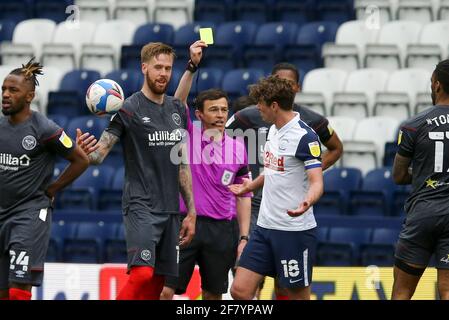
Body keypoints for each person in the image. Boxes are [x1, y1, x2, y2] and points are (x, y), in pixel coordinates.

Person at [78, 42, 197, 300]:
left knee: (156, 284)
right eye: (157, 67)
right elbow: (99, 155)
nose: (163, 73)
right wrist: (83, 152)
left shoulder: (176, 109)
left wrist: (191, 211)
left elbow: (182, 165)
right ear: (144, 68)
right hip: (141, 205)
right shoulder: (128, 108)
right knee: (142, 274)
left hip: (171, 210)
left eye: (167, 68)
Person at [226, 62, 343, 299]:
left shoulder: (304, 136)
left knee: (295, 295)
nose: (257, 108)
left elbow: (317, 182)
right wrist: (251, 185)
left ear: (275, 105)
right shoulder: (273, 129)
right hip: (265, 228)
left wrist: (307, 202)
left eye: (261, 103)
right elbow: (272, 169)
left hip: (293, 231)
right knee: (239, 291)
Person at [160, 41, 251, 300]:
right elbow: (177, 102)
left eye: (224, 109)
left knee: (213, 295)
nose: (221, 115)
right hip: (185, 224)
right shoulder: (189, 136)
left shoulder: (239, 148)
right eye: (214, 109)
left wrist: (243, 235)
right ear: (199, 114)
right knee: (166, 292)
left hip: (222, 230)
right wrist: (191, 66)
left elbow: (243, 194)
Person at [0, 58, 90, 300]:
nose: (5, 95)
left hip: (28, 217)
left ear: (29, 96)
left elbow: (81, 160)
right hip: (2, 214)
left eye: (13, 90)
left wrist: (52, 190)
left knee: (19, 290)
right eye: (3, 89)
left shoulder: (44, 128)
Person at [392, 59, 449, 300]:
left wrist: (425, 176)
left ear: (436, 85)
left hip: (422, 214)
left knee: (403, 291)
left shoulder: (413, 125)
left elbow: (399, 175)